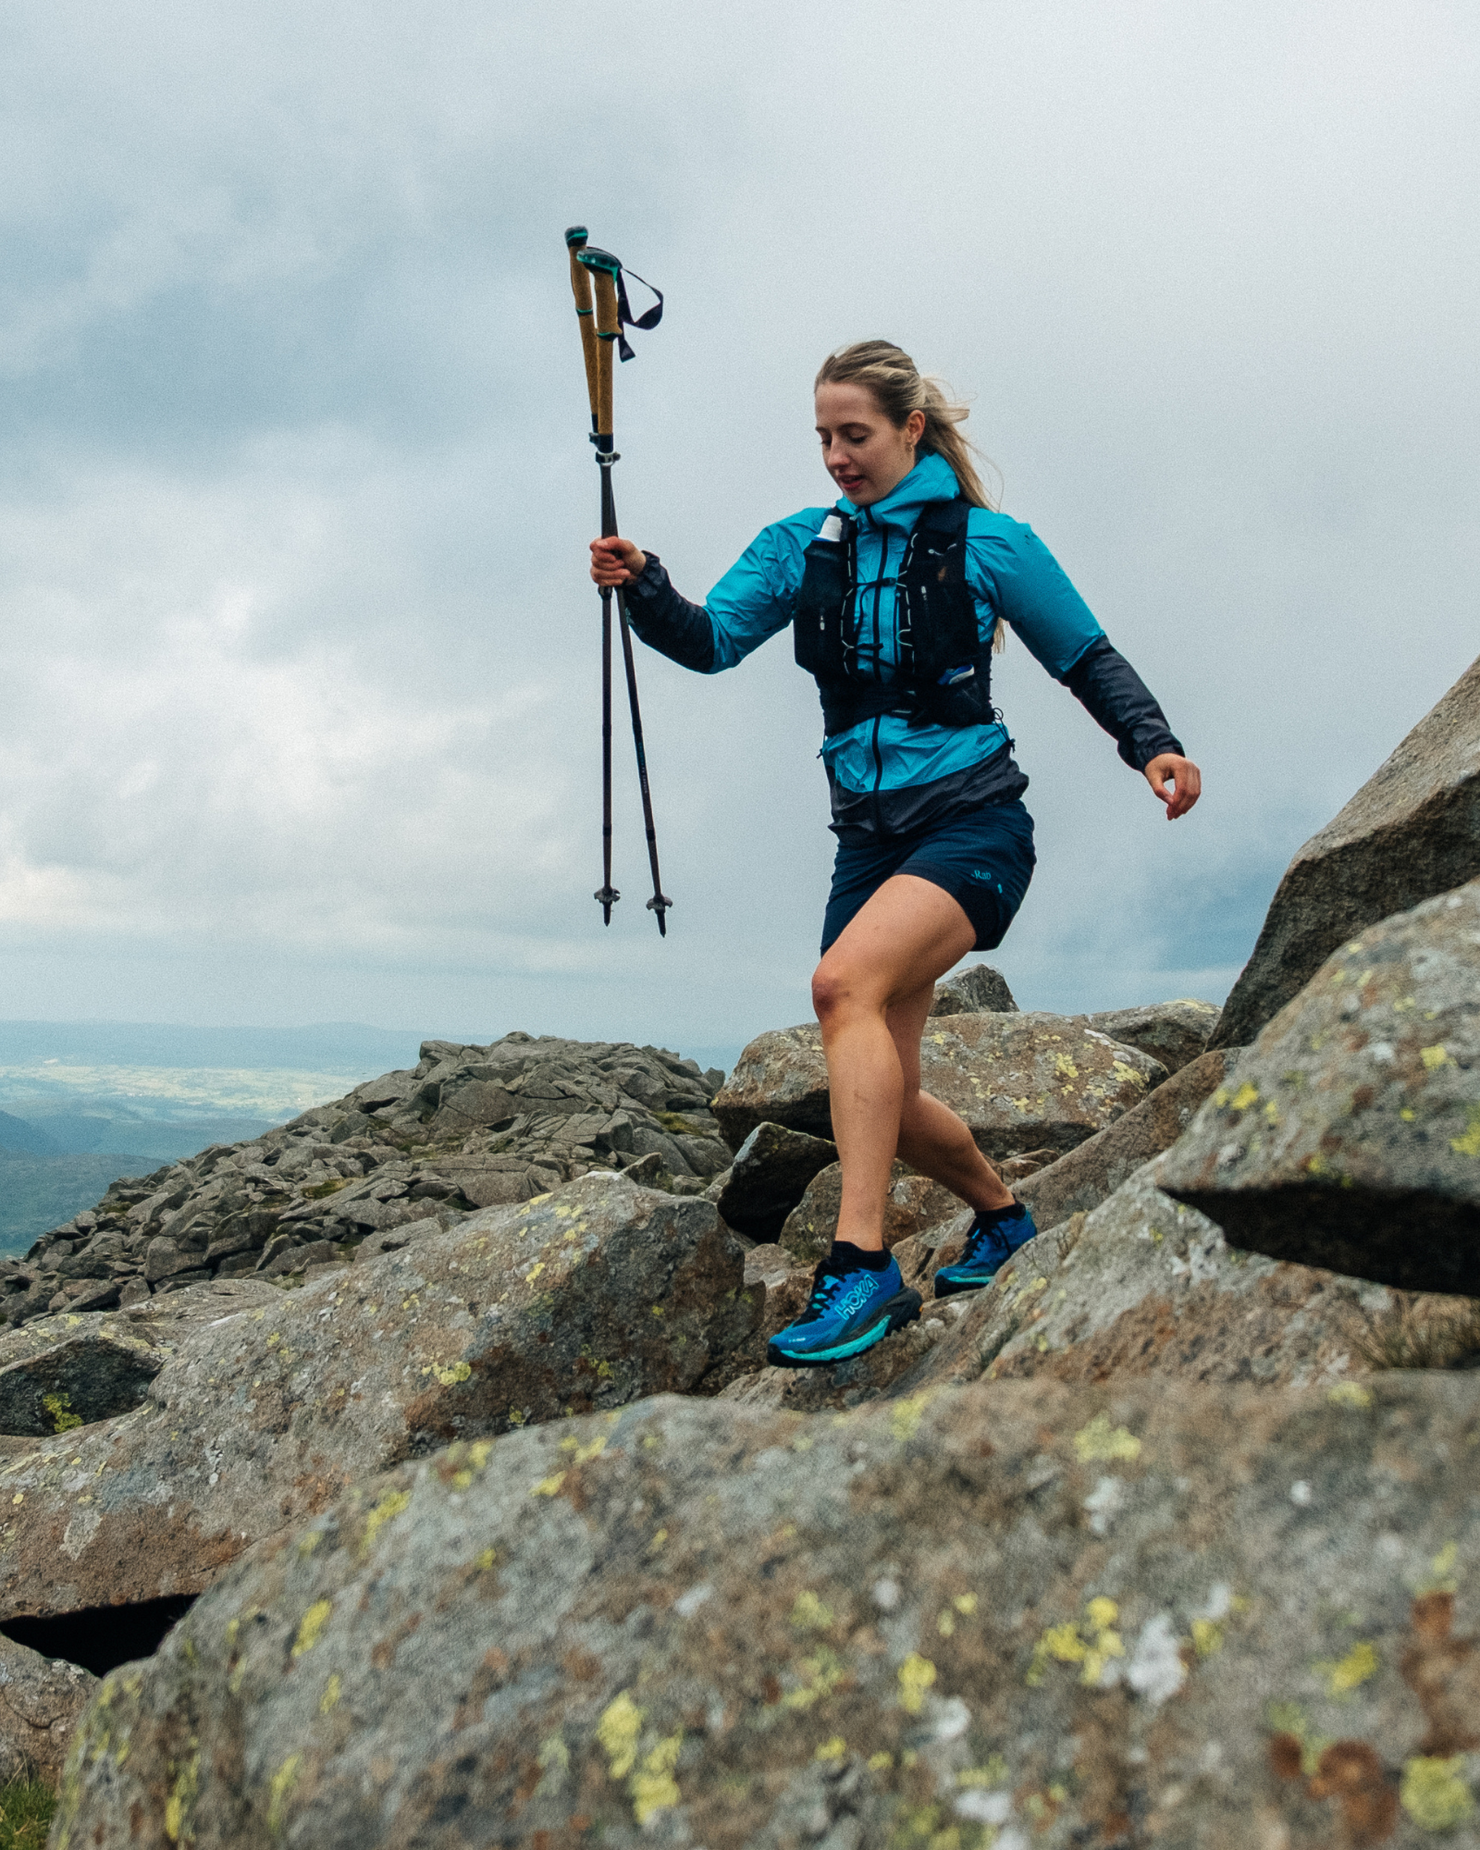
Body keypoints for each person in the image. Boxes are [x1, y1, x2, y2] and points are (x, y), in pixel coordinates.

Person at [590, 340, 1200, 1368]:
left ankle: (861, 1263)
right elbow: (708, 640)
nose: (835, 454)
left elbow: (1085, 656)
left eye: (854, 434)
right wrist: (643, 582)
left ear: (910, 429)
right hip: (867, 843)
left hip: (973, 825)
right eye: (822, 435)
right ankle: (1004, 1219)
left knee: (840, 989)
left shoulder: (990, 543)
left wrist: (1154, 743)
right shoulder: (800, 545)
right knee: (885, 1091)